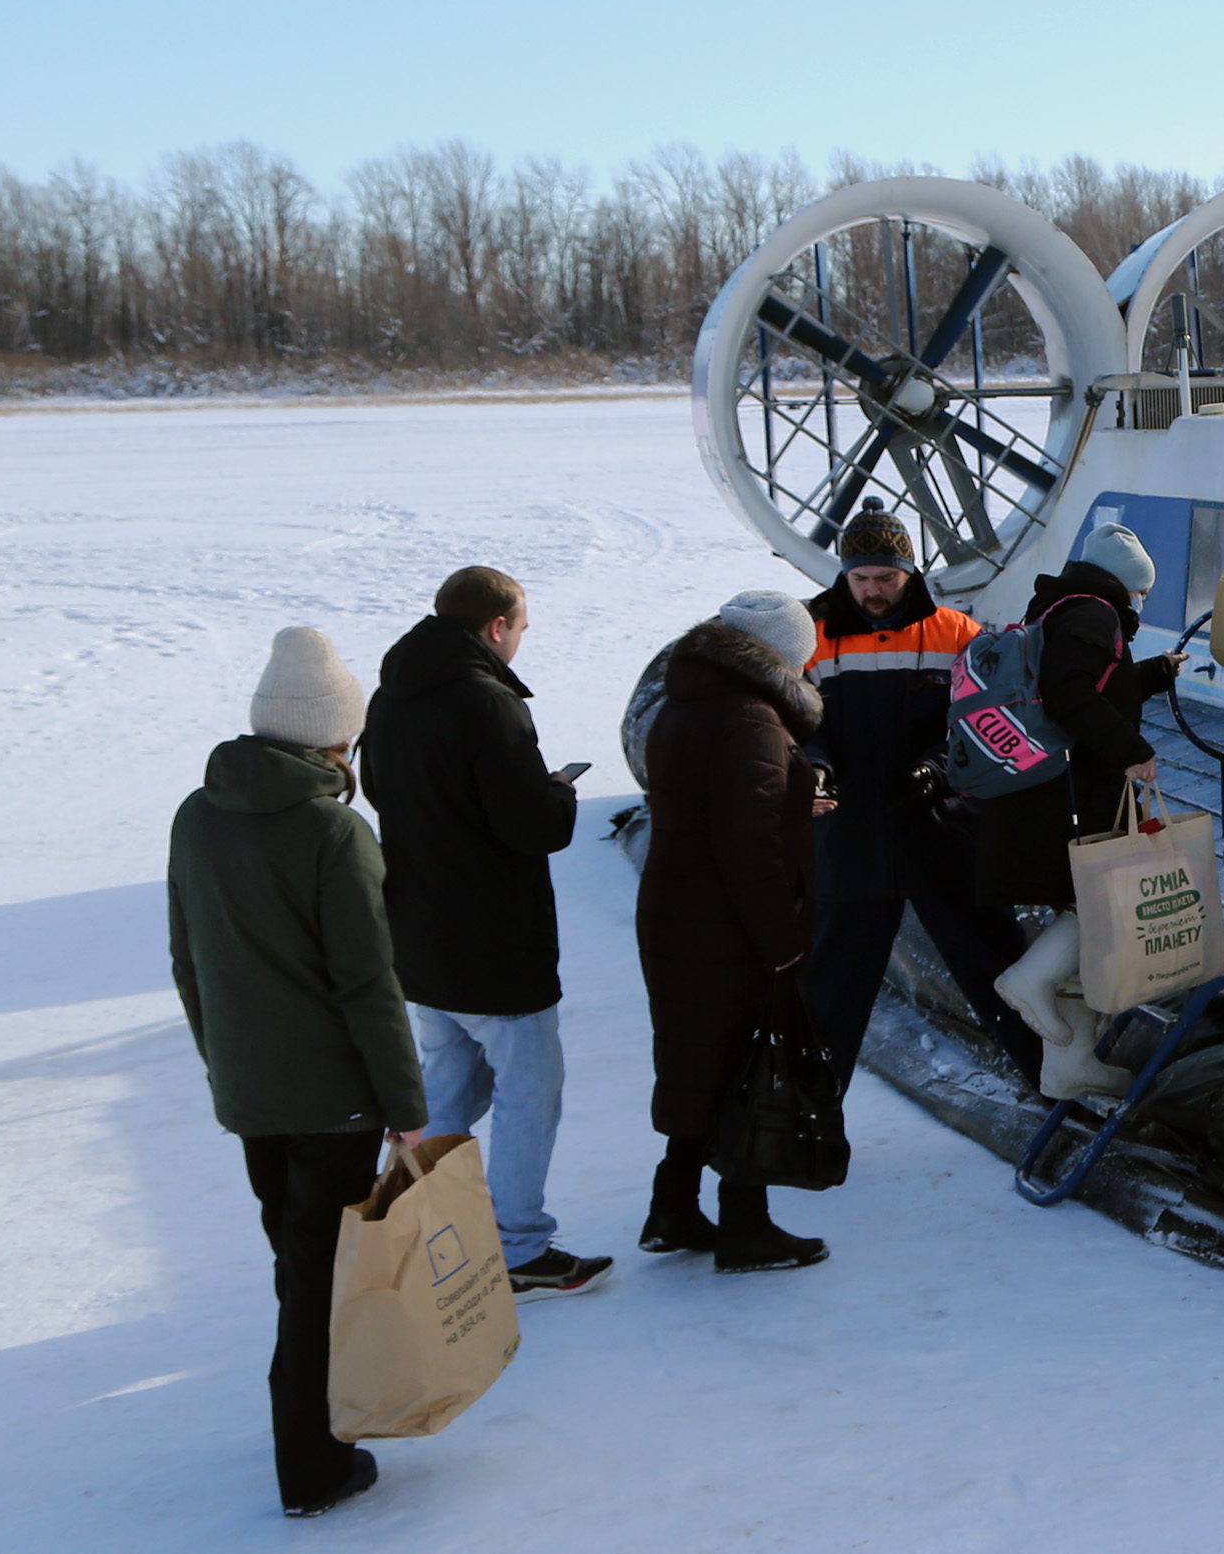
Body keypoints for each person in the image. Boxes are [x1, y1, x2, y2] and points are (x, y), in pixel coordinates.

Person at [168, 626, 426, 1520]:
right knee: (321, 1278)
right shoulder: (333, 831)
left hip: (253, 1094)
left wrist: (227, 1069)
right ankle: (313, 1466)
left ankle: (306, 1427)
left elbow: (187, 962)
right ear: (333, 739)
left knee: (297, 1260)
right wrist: (405, 1106)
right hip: (333, 1103)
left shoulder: (197, 815)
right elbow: (368, 986)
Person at [359, 565, 605, 1298]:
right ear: (496, 627)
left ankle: (403, 1219)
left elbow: (382, 791)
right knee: (531, 1089)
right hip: (495, 941)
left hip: (419, 936)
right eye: (521, 628)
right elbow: (530, 828)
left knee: (448, 1079)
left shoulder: (388, 695)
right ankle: (520, 1245)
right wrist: (555, 794)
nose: (520, 642)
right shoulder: (488, 703)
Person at [798, 499, 1043, 1091]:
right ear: (843, 575)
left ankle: (1054, 1088)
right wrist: (814, 769)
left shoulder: (958, 633)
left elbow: (986, 719)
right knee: (830, 991)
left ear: (911, 572)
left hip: (942, 834)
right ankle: (810, 1116)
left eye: (887, 578)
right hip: (848, 840)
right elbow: (798, 722)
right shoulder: (811, 633)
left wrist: (937, 769)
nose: (874, 591)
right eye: (861, 579)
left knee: (1001, 973)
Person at [634, 591, 831, 1274]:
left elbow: (712, 803)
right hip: (726, 925)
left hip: (678, 913)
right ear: (779, 654)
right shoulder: (750, 719)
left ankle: (674, 1208)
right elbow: (749, 846)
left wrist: (795, 793)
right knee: (749, 1065)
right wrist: (782, 942)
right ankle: (746, 1225)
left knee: (701, 1062)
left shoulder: (687, 703)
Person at [981, 524, 1186, 1095]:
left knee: (1086, 906)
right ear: (1128, 585)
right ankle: (1029, 979)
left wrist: (1153, 673)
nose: (1141, 602)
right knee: (1102, 900)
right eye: (1140, 592)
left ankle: (1067, 1065)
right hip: (1073, 789)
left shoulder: (1061, 609)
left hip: (1054, 787)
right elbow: (1070, 694)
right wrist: (1133, 750)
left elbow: (1092, 687)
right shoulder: (1095, 615)